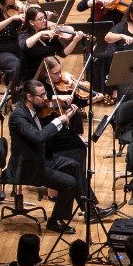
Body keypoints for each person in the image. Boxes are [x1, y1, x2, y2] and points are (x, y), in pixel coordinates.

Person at [10, 80, 95, 235]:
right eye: (41, 95)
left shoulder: (36, 109)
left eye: (45, 94)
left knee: (74, 165)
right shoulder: (18, 117)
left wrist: (67, 114)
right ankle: (55, 221)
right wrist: (57, 121)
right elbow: (38, 137)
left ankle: (90, 211)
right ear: (29, 96)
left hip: (43, 158)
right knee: (69, 182)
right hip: (28, 167)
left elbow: (48, 127)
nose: (45, 98)